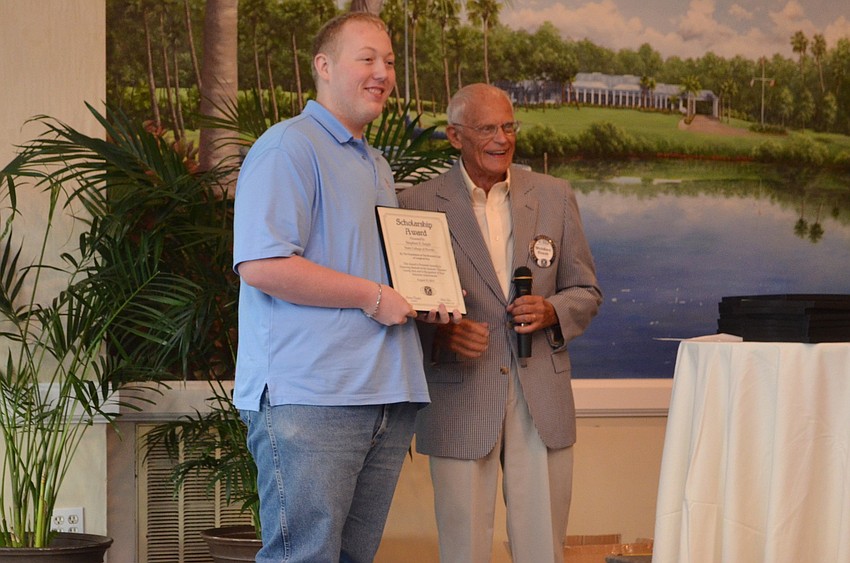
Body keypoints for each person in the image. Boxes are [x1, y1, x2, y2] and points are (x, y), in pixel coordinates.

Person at [232, 12, 454, 563]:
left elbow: (371, 269)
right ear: (324, 67)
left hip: (383, 392)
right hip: (312, 397)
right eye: (367, 58)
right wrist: (375, 297)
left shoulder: (374, 162)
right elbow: (262, 264)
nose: (383, 72)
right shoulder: (289, 147)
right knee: (302, 557)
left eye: (390, 61)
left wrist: (421, 298)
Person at [398, 83, 603, 563]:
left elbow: (586, 291)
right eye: (487, 128)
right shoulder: (415, 205)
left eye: (509, 126)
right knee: (463, 548)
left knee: (543, 548)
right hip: (459, 394)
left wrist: (553, 310)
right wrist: (440, 332)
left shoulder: (554, 196)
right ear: (454, 136)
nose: (501, 138)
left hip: (541, 398)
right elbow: (398, 308)